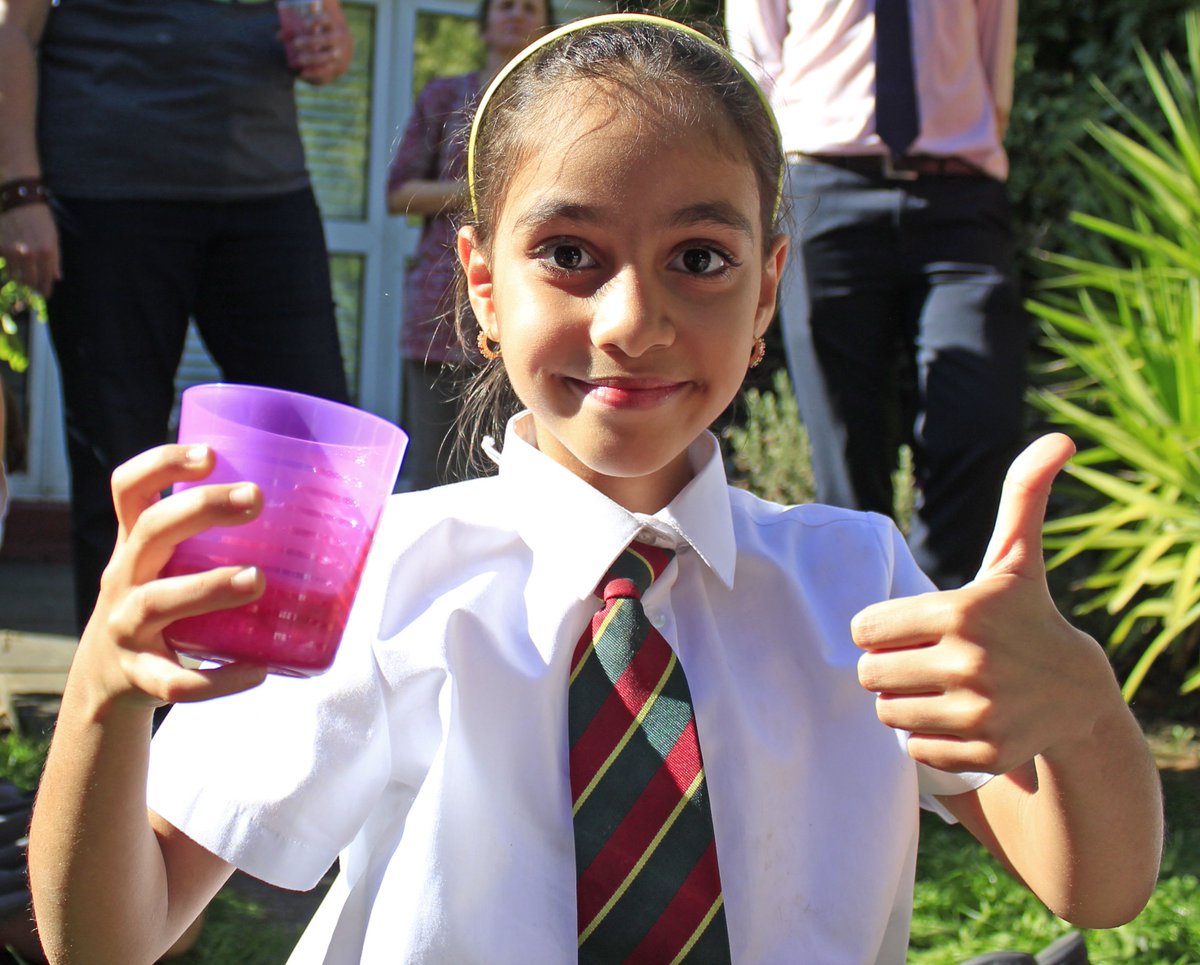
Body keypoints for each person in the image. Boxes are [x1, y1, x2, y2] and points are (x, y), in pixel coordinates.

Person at [27, 15, 1162, 964]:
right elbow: (109, 938)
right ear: (481, 283)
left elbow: (1093, 885)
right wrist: (102, 693)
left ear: (769, 291)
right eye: (569, 252)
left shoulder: (857, 583)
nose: (632, 320)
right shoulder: (381, 575)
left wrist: (1083, 712)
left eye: (701, 258)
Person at [0, 0, 355, 632]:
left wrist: (327, 48)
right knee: (121, 459)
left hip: (266, 191)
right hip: (107, 193)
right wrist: (18, 189)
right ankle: (126, 705)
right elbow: (13, 30)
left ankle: (301, 684)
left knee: (317, 444)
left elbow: (323, 34)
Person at [726, 0, 1029, 591]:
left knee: (978, 421)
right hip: (826, 184)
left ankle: (936, 610)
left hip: (957, 194)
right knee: (844, 441)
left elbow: (994, 55)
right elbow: (757, 61)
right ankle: (862, 630)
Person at [386, 0, 554, 491]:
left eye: (529, 7)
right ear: (483, 24)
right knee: (436, 473)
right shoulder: (446, 95)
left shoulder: (560, 105)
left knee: (523, 471)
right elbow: (398, 193)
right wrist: (489, 192)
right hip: (440, 306)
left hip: (536, 306)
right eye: (505, 5)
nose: (516, 14)